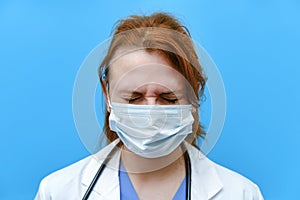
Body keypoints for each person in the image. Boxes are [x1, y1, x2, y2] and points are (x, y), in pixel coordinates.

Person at [35, 12, 263, 200]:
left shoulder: (241, 194)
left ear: (193, 95)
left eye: (168, 97)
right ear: (107, 95)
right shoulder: (59, 192)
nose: (152, 114)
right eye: (134, 98)